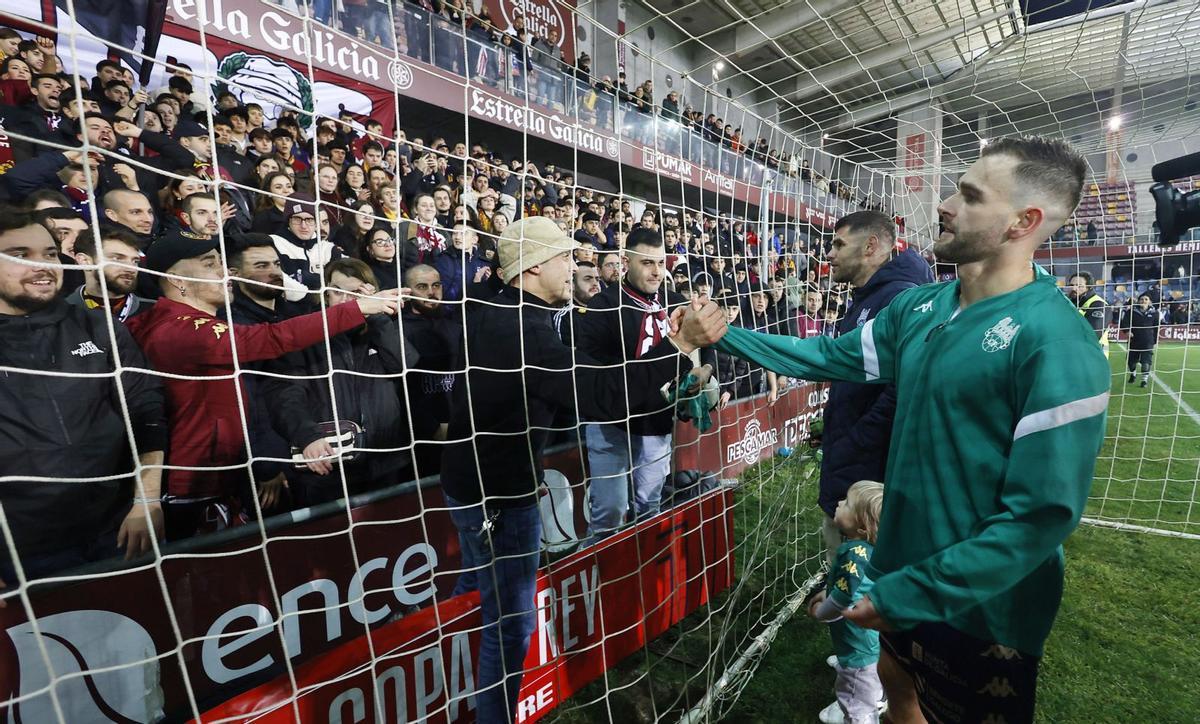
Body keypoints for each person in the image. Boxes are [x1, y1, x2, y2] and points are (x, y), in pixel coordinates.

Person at [671, 136, 1110, 724]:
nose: (946, 204)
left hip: (983, 605)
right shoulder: (920, 307)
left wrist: (906, 593)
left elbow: (1040, 518)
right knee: (897, 686)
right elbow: (828, 355)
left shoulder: (1056, 342)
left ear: (1022, 222)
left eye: (969, 195)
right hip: (900, 566)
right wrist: (726, 336)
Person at [440, 217, 697, 723]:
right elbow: (600, 395)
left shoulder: (499, 307)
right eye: (564, 258)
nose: (574, 268)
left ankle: (447, 687)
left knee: (473, 590)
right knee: (509, 622)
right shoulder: (524, 328)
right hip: (498, 496)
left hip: (479, 480)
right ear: (534, 267)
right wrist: (681, 349)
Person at [126, 231, 400, 540]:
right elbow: (271, 339)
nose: (223, 270)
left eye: (221, 261)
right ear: (177, 279)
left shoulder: (174, 323)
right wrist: (357, 308)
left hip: (220, 476)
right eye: (209, 263)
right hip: (192, 486)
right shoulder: (175, 330)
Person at [0, 211, 165, 583]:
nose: (42, 266)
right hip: (20, 551)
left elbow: (146, 408)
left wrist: (147, 498)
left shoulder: (98, 326)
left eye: (49, 253)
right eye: (20, 255)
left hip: (119, 528)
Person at [576, 227, 713, 541]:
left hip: (656, 420)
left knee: (649, 505)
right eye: (646, 263)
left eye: (660, 263)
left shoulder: (676, 301)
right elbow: (592, 369)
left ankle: (644, 569)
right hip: (611, 422)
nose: (656, 271)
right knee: (609, 509)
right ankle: (601, 572)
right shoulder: (602, 306)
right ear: (626, 261)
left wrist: (704, 370)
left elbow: (708, 341)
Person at [817, 211, 932, 563]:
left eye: (838, 244)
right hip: (852, 455)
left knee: (859, 571)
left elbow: (902, 387)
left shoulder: (899, 298)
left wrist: (855, 439)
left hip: (868, 468)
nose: (830, 254)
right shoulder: (867, 296)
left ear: (870, 247)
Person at [265, 258, 418, 506]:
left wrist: (378, 316)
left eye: (356, 292)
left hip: (385, 462)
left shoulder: (380, 329)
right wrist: (306, 435)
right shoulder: (305, 334)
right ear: (325, 295)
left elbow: (404, 366)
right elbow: (285, 394)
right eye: (338, 291)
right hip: (328, 467)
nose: (347, 300)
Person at [809, 480, 887, 724]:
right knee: (870, 671)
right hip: (869, 638)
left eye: (848, 503)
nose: (840, 503)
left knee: (856, 703)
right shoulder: (867, 549)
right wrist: (828, 591)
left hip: (857, 647)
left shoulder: (854, 556)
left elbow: (841, 602)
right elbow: (847, 588)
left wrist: (822, 612)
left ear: (862, 527)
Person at [66, 226, 152, 322]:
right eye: (117, 259)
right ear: (84, 261)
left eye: (135, 261)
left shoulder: (159, 314)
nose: (131, 268)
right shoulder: (61, 313)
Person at [1067, 271, 1108, 358]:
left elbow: (1093, 335)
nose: (1074, 288)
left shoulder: (1099, 304)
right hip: (1074, 354)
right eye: (1071, 285)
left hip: (1094, 357)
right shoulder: (1070, 303)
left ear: (1089, 288)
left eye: (1079, 286)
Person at [1126, 293, 1159, 388]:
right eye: (1141, 299)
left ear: (1149, 302)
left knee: (1146, 363)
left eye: (1146, 299)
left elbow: (1157, 328)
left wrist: (1155, 341)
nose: (1143, 301)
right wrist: (1127, 331)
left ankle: (1144, 381)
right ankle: (1133, 374)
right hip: (1134, 341)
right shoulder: (1131, 311)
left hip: (1148, 342)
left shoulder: (1155, 313)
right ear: (1138, 301)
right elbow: (1125, 323)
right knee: (1131, 363)